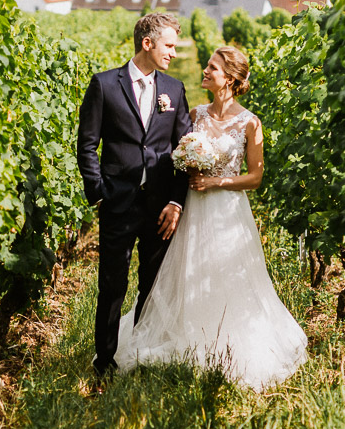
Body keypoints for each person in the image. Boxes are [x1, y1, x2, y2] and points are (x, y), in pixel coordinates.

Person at [113, 45, 308, 391]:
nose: (205, 71)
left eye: (212, 68)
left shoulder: (250, 122)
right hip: (193, 206)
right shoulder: (197, 114)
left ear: (230, 79)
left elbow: (256, 177)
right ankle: (188, 335)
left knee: (226, 274)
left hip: (227, 210)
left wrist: (216, 180)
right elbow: (177, 151)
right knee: (189, 271)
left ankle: (225, 344)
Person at [77, 12, 192, 379]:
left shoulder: (174, 90)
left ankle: (140, 353)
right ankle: (105, 360)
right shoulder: (104, 85)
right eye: (169, 45)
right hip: (118, 200)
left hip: (159, 205)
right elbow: (87, 144)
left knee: (152, 284)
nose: (173, 53)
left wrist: (176, 201)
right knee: (112, 284)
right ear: (148, 43)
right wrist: (98, 192)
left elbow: (184, 152)